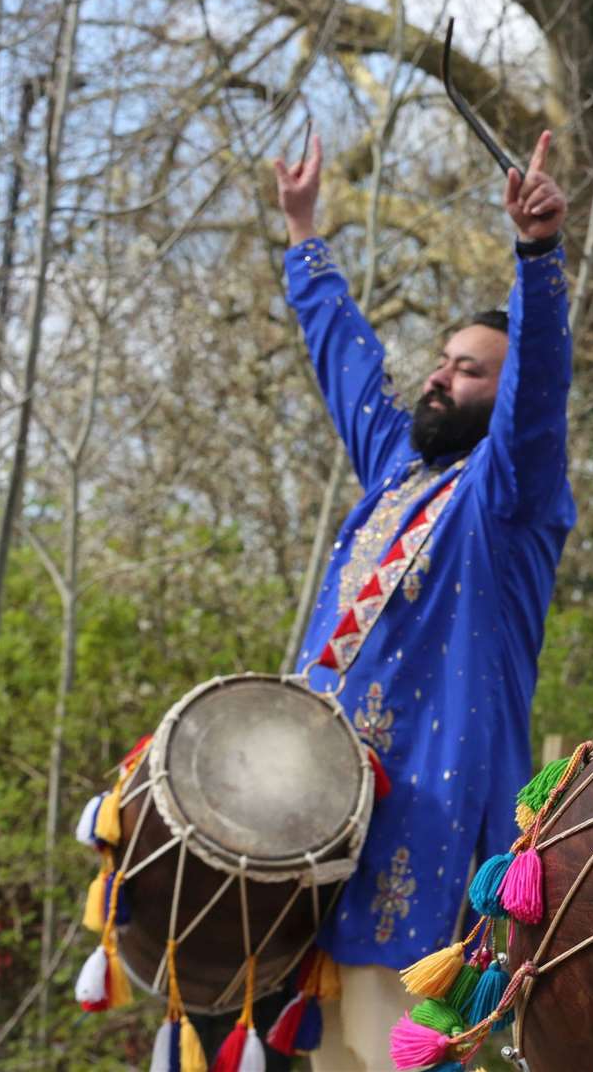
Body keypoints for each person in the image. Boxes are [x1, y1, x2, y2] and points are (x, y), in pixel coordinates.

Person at [239, 128, 573, 1069]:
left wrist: (537, 259)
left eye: (470, 369)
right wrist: (304, 233)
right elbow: (348, 363)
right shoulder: (397, 469)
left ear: (503, 401)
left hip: (430, 838)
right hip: (327, 827)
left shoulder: (510, 496)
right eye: (441, 360)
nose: (439, 375)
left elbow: (540, 389)